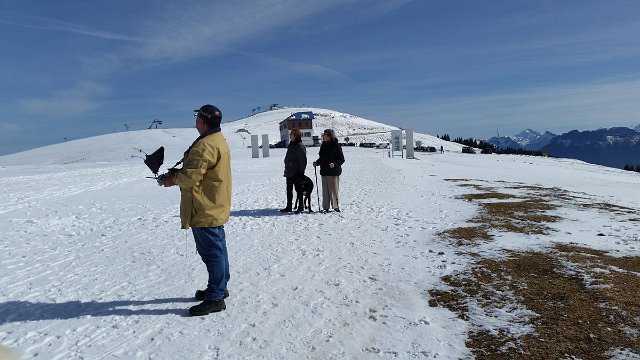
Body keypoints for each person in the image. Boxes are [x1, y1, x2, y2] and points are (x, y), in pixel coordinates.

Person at [162, 104, 232, 316]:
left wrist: (172, 179)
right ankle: (219, 288)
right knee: (218, 249)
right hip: (214, 203)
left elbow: (191, 177)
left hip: (205, 206)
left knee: (212, 253)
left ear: (202, 121)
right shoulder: (217, 139)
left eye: (197, 117)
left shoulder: (205, 146)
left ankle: (215, 298)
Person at [313, 129, 345, 212]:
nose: (323, 136)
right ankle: (325, 207)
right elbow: (322, 158)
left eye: (325, 135)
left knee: (333, 190)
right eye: (323, 134)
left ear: (330, 136)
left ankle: (335, 206)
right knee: (325, 190)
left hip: (333, 172)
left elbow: (341, 159)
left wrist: (334, 164)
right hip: (324, 171)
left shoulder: (336, 145)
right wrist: (317, 162)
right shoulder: (323, 145)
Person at [280, 128, 307, 212]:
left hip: (296, 172)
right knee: (289, 190)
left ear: (295, 135)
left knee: (298, 189)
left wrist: (301, 173)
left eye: (291, 134)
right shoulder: (291, 144)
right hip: (289, 171)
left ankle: (301, 206)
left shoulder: (299, 145)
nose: (290, 135)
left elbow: (303, 161)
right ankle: (289, 206)